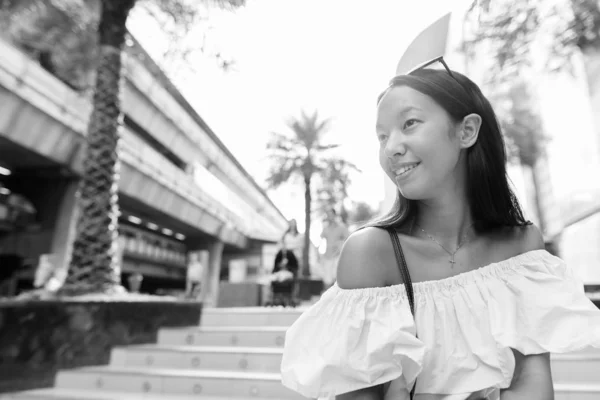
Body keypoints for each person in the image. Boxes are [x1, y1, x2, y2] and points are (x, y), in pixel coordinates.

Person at [280, 58, 600, 399]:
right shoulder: (370, 254)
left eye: (410, 123)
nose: (391, 148)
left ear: (467, 131)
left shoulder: (523, 248)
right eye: (382, 136)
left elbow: (531, 381)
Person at [319, 209, 350, 288]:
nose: (330, 217)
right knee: (327, 280)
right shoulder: (325, 228)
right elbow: (320, 240)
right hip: (327, 256)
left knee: (336, 280)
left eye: (331, 215)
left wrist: (340, 244)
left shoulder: (341, 227)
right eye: (328, 215)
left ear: (335, 215)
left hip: (337, 256)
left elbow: (348, 239)